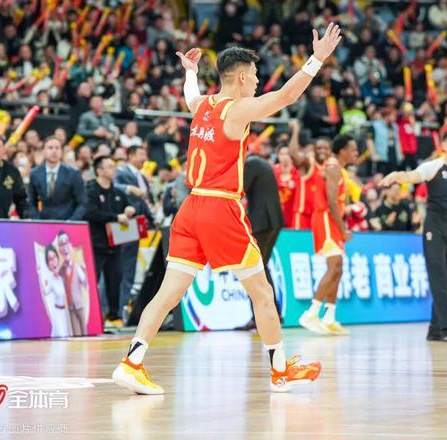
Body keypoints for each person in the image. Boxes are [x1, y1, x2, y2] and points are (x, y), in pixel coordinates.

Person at [112, 24, 342, 395]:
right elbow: (285, 95)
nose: (258, 82)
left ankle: (132, 362)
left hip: (190, 208)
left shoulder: (202, 105)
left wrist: (190, 72)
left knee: (167, 294)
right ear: (240, 77)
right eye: (255, 75)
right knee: (262, 294)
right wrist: (316, 59)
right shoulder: (238, 109)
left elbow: (190, 94)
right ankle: (280, 371)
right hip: (221, 207)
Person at [379, 129, 447, 342]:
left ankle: (435, 329)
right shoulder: (434, 166)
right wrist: (395, 176)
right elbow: (412, 176)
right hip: (435, 225)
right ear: (444, 145)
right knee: (438, 275)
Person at [298, 134, 357, 336]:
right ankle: (311, 313)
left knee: (338, 268)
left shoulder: (336, 168)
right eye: (353, 149)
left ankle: (329, 317)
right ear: (343, 151)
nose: (356, 153)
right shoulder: (332, 168)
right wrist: (343, 228)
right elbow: (331, 202)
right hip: (325, 218)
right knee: (334, 266)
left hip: (331, 218)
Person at [85, 156, 137, 325]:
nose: (113, 169)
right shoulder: (90, 191)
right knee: (92, 281)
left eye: (113, 166)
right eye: (109, 167)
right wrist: (115, 217)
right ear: (99, 170)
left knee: (115, 281)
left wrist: (130, 210)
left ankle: (114, 316)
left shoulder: (117, 192)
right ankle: (91, 316)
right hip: (95, 244)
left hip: (115, 244)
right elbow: (90, 213)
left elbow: (129, 208)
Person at [237, 148, 285, 330]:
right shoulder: (262, 163)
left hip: (262, 222)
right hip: (273, 221)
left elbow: (238, 190)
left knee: (253, 269)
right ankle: (271, 314)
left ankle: (264, 315)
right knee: (261, 267)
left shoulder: (250, 165)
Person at [115, 145, 155, 321]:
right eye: (141, 154)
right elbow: (112, 186)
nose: (144, 158)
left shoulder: (142, 177)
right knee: (121, 267)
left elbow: (144, 201)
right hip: (124, 223)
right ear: (130, 156)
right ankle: (115, 309)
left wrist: (153, 218)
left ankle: (124, 307)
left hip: (138, 224)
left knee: (130, 268)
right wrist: (129, 188)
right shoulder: (120, 172)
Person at [29, 136, 87, 221]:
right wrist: (37, 221)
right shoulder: (35, 173)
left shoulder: (73, 173)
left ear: (61, 151)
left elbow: (82, 203)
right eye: (50, 148)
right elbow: (31, 202)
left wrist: (72, 221)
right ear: (43, 151)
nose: (54, 151)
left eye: (57, 148)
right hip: (44, 222)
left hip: (68, 221)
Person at [57, 230, 88, 336]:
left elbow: (86, 284)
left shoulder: (77, 267)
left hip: (79, 305)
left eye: (66, 242)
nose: (64, 247)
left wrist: (85, 272)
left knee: (84, 331)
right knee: (75, 333)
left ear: (70, 245)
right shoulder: (61, 270)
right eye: (61, 244)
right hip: (70, 307)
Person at [40, 244, 71, 338]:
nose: (53, 261)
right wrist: (39, 275)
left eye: (54, 257)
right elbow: (45, 292)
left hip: (68, 313)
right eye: (50, 259)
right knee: (61, 338)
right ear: (48, 264)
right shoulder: (51, 279)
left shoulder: (64, 273)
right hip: (58, 313)